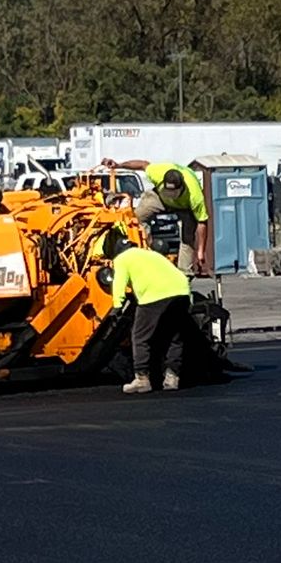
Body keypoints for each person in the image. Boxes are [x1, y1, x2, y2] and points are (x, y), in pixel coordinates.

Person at [103, 227, 194, 394]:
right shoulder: (149, 253)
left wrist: (117, 307)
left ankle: (142, 379)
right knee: (174, 336)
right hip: (181, 291)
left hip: (154, 296)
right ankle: (172, 377)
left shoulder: (122, 259)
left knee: (140, 337)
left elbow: (119, 284)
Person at [132, 161, 207, 270]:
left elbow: (202, 222)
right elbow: (142, 165)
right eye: (169, 192)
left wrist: (201, 251)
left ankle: (184, 272)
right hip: (161, 198)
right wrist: (118, 165)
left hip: (184, 207)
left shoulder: (195, 196)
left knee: (188, 236)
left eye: (174, 193)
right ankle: (147, 252)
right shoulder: (157, 172)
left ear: (182, 187)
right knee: (137, 217)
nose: (172, 196)